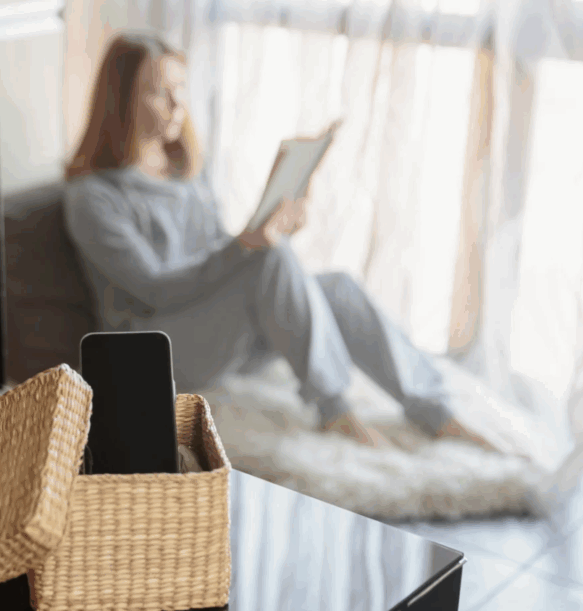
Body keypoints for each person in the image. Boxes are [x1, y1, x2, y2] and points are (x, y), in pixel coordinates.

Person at [63, 31, 493, 450]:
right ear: (121, 103)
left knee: (336, 287)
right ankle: (335, 408)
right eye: (160, 93)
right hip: (152, 352)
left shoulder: (185, 172)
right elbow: (155, 289)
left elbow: (214, 257)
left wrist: (265, 230)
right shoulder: (92, 196)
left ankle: (434, 409)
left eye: (181, 89)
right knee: (270, 260)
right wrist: (248, 246)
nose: (178, 105)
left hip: (211, 330)